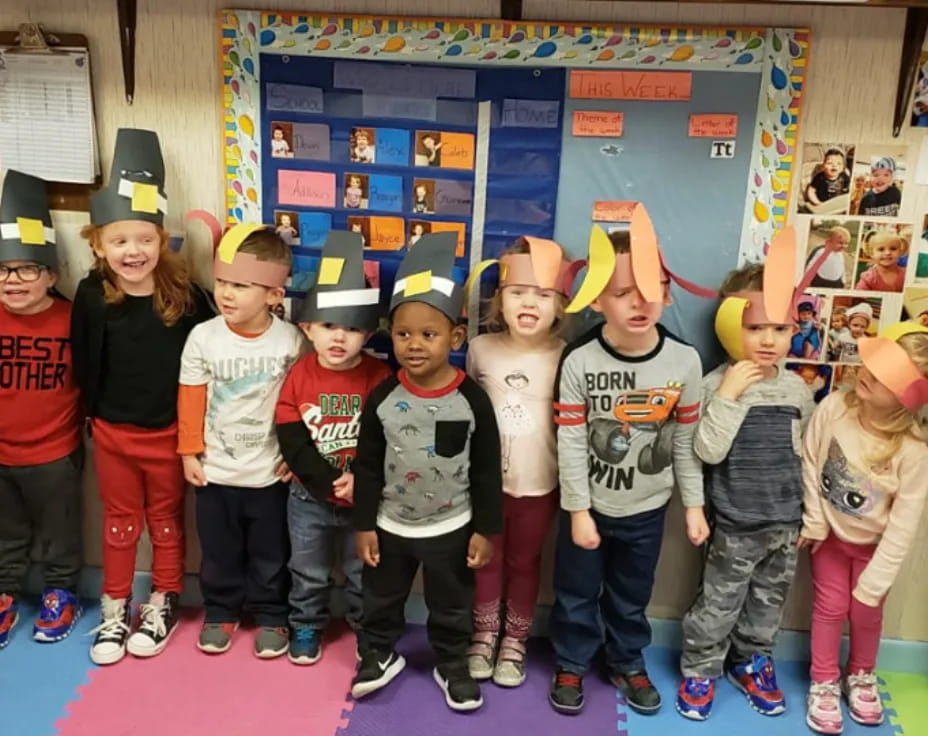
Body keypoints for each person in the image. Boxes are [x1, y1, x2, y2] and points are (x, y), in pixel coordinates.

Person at [550, 213, 708, 716]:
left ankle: (626, 659)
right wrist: (578, 511)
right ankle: (571, 660)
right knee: (575, 593)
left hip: (648, 508)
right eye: (623, 292)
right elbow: (571, 441)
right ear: (597, 300)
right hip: (588, 505)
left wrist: (694, 507)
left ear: (668, 291)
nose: (640, 302)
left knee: (631, 595)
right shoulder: (578, 361)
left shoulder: (684, 362)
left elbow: (685, 442)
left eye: (651, 287)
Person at [72, 130, 214, 665]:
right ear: (97, 245)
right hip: (113, 433)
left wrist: (194, 439)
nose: (133, 251)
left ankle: (164, 599)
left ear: (161, 238)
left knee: (166, 520)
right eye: (119, 241)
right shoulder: (91, 296)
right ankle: (114, 607)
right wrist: (93, 418)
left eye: (144, 239)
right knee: (118, 520)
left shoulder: (187, 297)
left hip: (170, 436)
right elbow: (85, 361)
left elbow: (203, 369)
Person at [351, 232, 503, 712]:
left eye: (428, 334)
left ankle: (453, 663)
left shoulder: (472, 399)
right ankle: (377, 653)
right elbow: (368, 465)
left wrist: (485, 529)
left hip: (451, 527)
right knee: (380, 598)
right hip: (390, 525)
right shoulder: (382, 397)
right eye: (402, 334)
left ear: (455, 338)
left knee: (452, 603)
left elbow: (485, 470)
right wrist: (363, 525)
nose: (414, 345)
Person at [676, 262, 815, 721]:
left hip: (784, 523)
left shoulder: (796, 389)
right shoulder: (717, 383)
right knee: (717, 603)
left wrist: (810, 514)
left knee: (767, 605)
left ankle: (752, 662)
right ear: (732, 326)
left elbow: (807, 457)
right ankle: (700, 667)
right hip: (734, 524)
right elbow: (707, 451)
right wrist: (729, 396)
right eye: (756, 328)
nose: (769, 340)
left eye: (780, 327)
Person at [178, 225, 304, 658]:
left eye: (240, 285)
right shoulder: (204, 337)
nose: (226, 294)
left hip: (269, 474)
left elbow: (302, 399)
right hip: (215, 473)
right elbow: (191, 394)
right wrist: (189, 451)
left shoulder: (290, 341)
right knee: (218, 552)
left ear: (274, 294)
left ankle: (272, 615)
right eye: (221, 282)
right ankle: (220, 611)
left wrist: (298, 456)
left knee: (271, 553)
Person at [800, 323, 928, 734]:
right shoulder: (835, 407)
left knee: (866, 613)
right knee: (830, 608)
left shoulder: (913, 450)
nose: (868, 373)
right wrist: (816, 521)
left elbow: (904, 525)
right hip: (832, 539)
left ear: (908, 396)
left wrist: (876, 580)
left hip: (874, 548)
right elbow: (810, 460)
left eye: (887, 375)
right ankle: (823, 680)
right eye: (873, 363)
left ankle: (861, 675)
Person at [275, 232, 391, 664]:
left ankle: (366, 628)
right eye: (328, 326)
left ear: (369, 333)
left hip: (365, 496)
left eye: (352, 328)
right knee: (308, 569)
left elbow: (385, 436)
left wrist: (360, 479)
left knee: (364, 568)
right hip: (308, 496)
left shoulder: (379, 378)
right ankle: (305, 623)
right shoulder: (299, 375)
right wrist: (325, 482)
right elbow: (291, 435)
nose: (339, 338)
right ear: (307, 328)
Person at [465, 237, 568, 688]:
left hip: (540, 483)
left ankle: (515, 640)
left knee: (525, 563)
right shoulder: (482, 349)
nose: (530, 303)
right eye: (518, 293)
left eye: (543, 295)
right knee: (485, 560)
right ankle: (484, 634)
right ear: (499, 300)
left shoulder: (566, 356)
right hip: (485, 485)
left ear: (561, 305)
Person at [0, 171, 83, 648]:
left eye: (27, 269)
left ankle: (61, 592)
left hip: (54, 451)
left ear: (51, 274)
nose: (14, 280)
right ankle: (6, 592)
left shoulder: (72, 319)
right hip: (3, 455)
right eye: (4, 269)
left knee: (60, 532)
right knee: (5, 532)